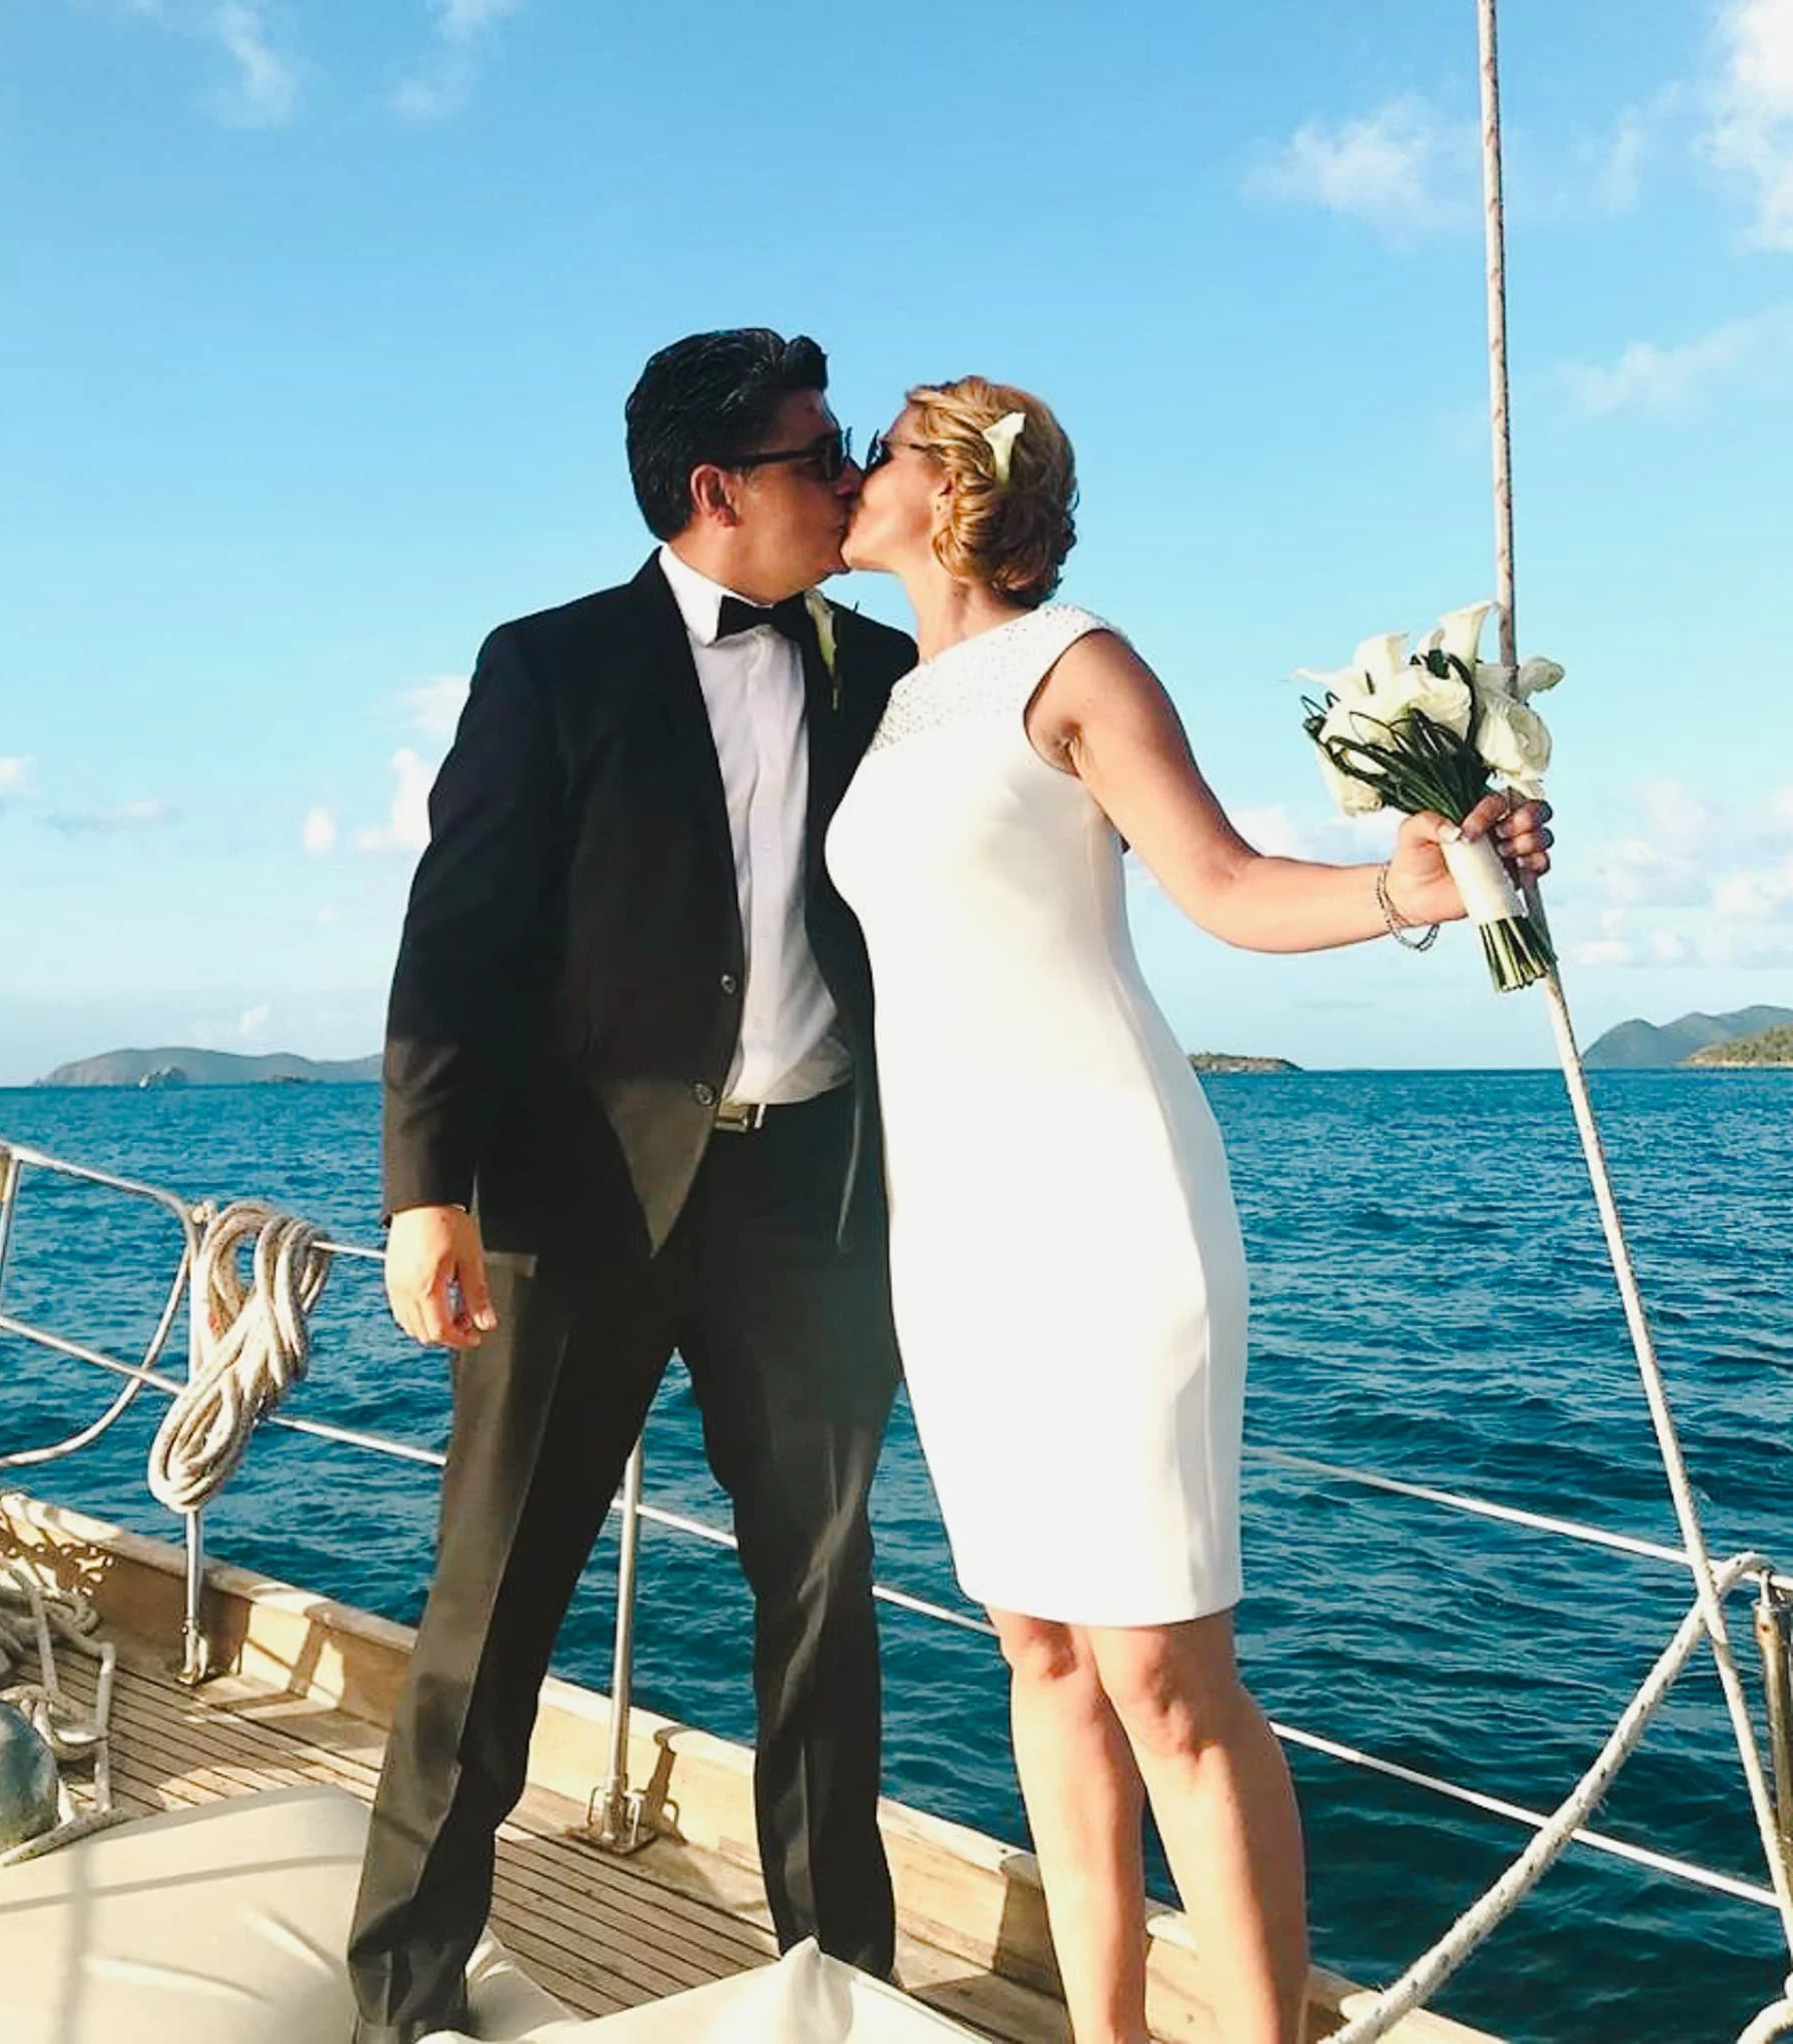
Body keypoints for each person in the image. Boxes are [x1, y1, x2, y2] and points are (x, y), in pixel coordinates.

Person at [828, 376, 1554, 2044]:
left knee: (1165, 1671)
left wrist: (1410, 882)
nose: (851, 472)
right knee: (1039, 1651)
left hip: (1105, 1204)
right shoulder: (892, 702)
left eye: (882, 448)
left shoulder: (1076, 661)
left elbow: (1221, 882)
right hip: (951, 1236)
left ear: (949, 488)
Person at [349, 329, 919, 2043]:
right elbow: (455, 941)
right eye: (823, 453)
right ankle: (400, 1995)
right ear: (713, 489)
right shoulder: (550, 666)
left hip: (812, 1208)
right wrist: (421, 1185)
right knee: (490, 1614)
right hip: (572, 1207)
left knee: (826, 1624)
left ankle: (844, 1987)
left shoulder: (889, 675)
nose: (848, 477)